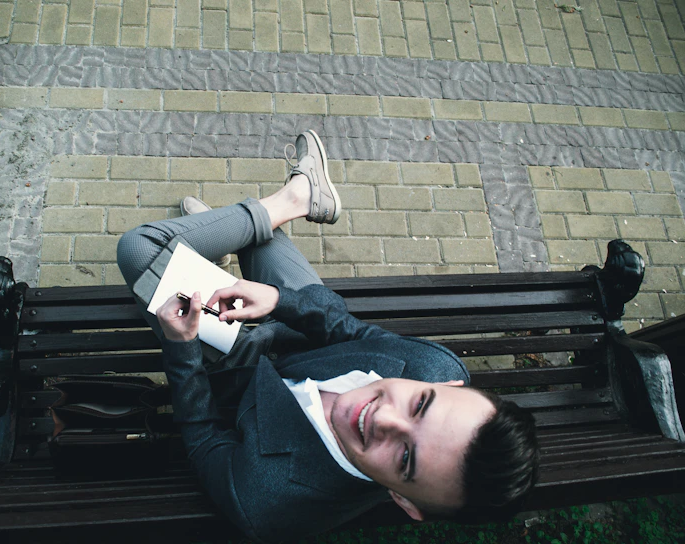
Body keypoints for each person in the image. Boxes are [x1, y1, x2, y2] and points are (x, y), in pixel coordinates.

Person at [117, 130, 539, 543]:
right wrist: (279, 300)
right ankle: (250, 225)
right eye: (420, 403)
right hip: (290, 328)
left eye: (406, 458)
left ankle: (291, 201)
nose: (382, 418)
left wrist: (183, 347)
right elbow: (348, 331)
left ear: (405, 503)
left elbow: (203, 434)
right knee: (262, 241)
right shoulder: (437, 366)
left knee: (140, 247)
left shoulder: (268, 502)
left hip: (235, 371)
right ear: (446, 386)